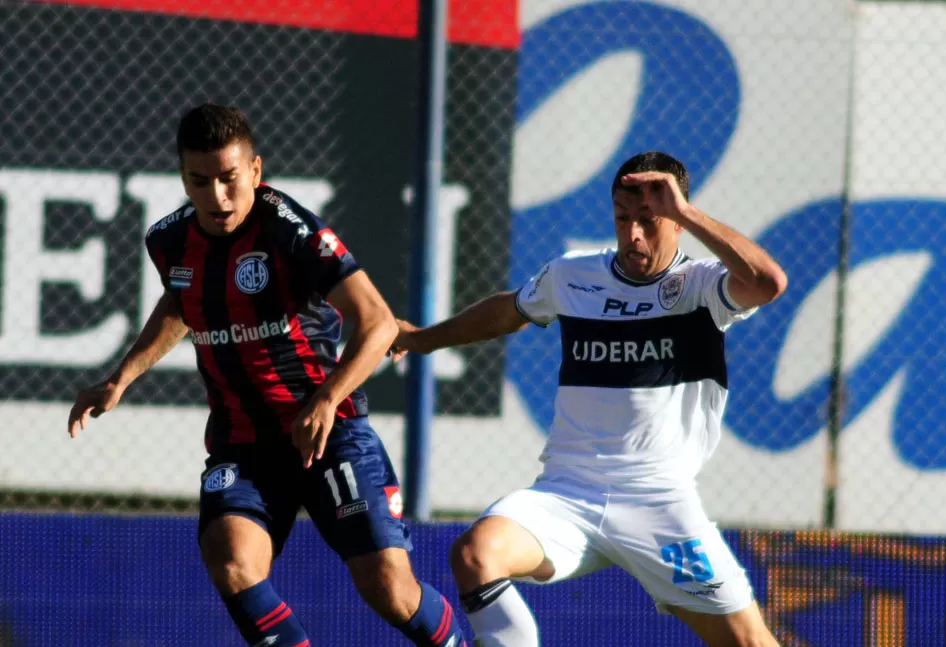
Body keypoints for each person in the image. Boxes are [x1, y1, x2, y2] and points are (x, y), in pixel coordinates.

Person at [68, 103, 466, 647]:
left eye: (229, 179)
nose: (217, 197)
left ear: (255, 170)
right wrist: (122, 377)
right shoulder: (168, 241)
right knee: (231, 561)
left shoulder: (290, 232)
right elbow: (182, 301)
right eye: (199, 181)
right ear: (183, 177)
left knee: (389, 591)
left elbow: (375, 322)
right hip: (244, 443)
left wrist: (326, 400)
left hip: (328, 431)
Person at [391, 151, 787, 647]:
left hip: (658, 502)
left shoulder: (702, 286)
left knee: (751, 642)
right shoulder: (573, 276)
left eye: (650, 220)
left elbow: (770, 283)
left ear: (678, 220)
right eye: (624, 219)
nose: (634, 235)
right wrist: (423, 339)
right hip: (567, 492)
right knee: (474, 554)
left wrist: (686, 211)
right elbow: (507, 312)